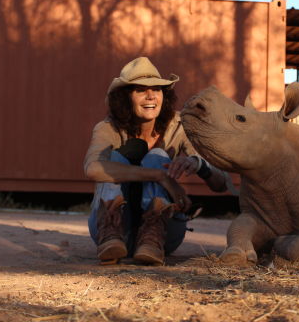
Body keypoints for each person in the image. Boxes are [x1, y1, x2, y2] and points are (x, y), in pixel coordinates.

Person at [84, 56, 231, 265]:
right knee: (113, 158)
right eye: (141, 90)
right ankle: (111, 234)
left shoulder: (180, 126)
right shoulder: (108, 128)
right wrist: (161, 176)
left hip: (162, 237)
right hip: (113, 233)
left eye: (157, 89)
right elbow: (93, 168)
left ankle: (151, 237)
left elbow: (221, 182)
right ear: (125, 97)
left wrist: (200, 165)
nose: (151, 96)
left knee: (157, 156)